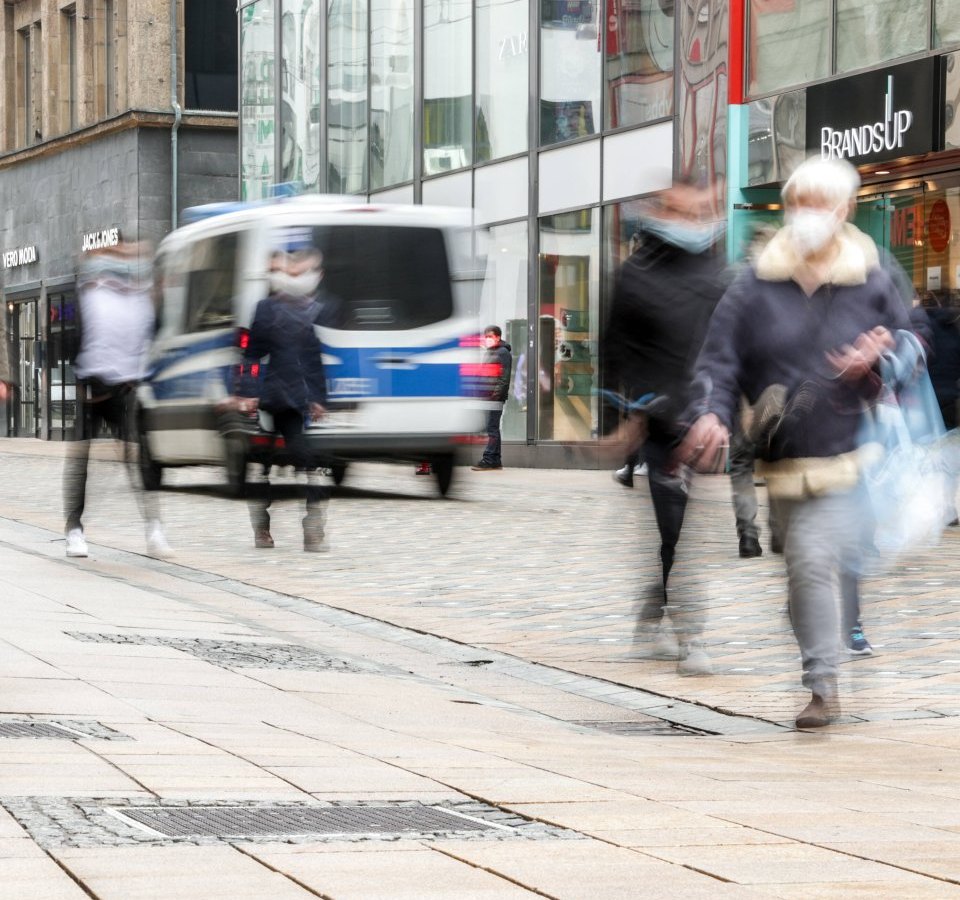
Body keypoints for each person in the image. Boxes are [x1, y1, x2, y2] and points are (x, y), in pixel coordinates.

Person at [679, 156, 911, 728]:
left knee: (812, 556)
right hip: (784, 462)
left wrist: (882, 354)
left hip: (855, 457)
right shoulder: (755, 285)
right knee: (802, 575)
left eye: (817, 203)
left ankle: (822, 687)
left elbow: (914, 339)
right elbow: (719, 360)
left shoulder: (873, 277)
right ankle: (821, 642)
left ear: (843, 211)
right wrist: (710, 414)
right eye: (797, 203)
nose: (805, 215)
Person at [603, 177, 728, 675]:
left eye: (701, 212)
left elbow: (732, 346)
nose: (694, 223)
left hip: (710, 419)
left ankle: (653, 614)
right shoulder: (634, 276)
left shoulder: (719, 273)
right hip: (660, 420)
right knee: (675, 527)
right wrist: (626, 413)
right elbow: (615, 351)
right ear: (662, 213)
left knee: (690, 532)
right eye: (682, 212)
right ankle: (690, 631)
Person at [63, 242, 172, 558]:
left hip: (124, 388)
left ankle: (154, 527)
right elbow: (73, 339)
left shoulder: (139, 300)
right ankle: (74, 528)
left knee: (139, 458)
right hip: (91, 389)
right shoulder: (87, 296)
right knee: (81, 462)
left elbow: (154, 332)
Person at [231, 231, 330, 551]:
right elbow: (252, 355)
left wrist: (317, 397)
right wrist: (247, 394)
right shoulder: (265, 309)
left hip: (293, 402)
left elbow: (314, 358)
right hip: (265, 400)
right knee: (260, 465)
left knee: (309, 464)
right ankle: (261, 528)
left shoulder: (309, 310)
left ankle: (313, 529)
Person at [472, 325, 512, 471]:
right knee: (493, 428)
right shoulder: (490, 352)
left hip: (494, 398)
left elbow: (504, 378)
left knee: (492, 428)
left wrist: (495, 396)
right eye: (486, 337)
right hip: (487, 396)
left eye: (490, 336)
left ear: (498, 337)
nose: (487, 339)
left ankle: (488, 459)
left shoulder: (503, 353)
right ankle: (496, 460)